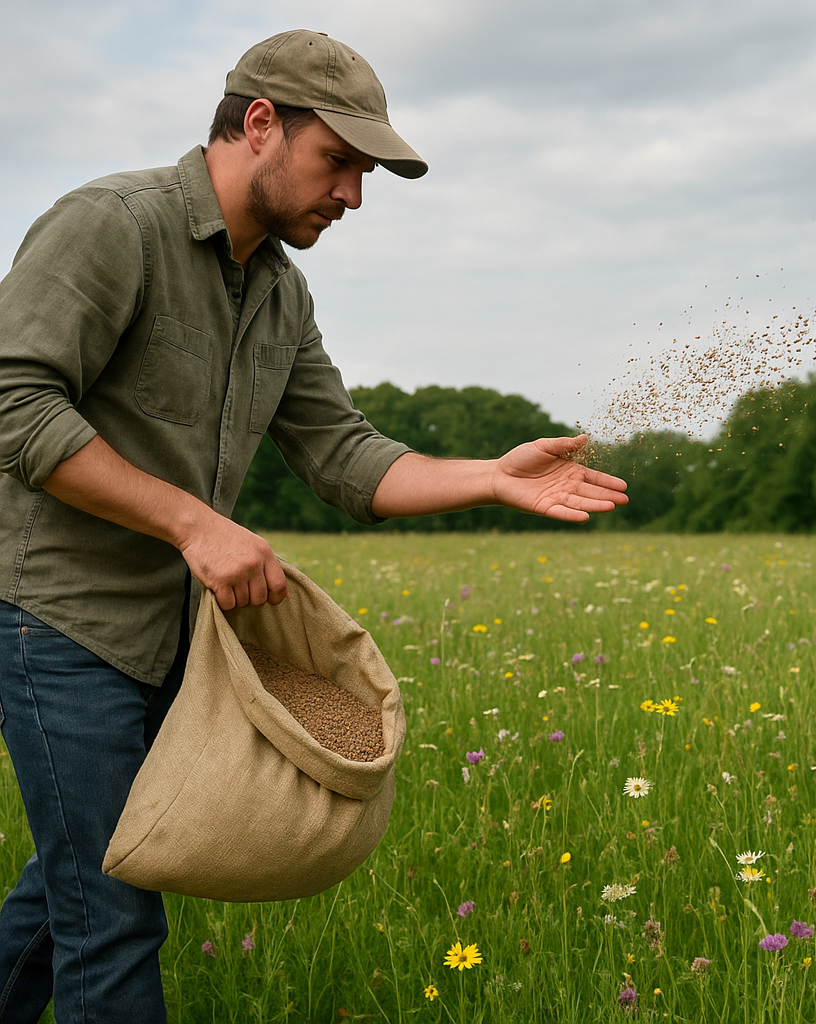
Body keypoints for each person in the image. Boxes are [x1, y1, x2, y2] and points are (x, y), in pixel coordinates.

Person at [0, 28, 627, 1023]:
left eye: (365, 171)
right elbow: (15, 402)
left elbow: (343, 456)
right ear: (259, 125)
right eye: (339, 161)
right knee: (112, 913)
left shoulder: (281, 295)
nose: (353, 194)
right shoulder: (112, 227)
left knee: (79, 879)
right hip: (54, 618)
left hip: (180, 638)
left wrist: (493, 478)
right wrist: (191, 522)